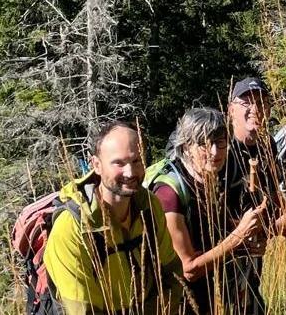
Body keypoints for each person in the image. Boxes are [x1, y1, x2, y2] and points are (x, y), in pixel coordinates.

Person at [43, 122, 184, 315]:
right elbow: (83, 310)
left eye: (136, 161)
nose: (130, 172)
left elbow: (172, 275)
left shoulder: (149, 205)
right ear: (97, 165)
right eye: (119, 163)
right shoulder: (73, 226)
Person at [150, 108, 264, 314]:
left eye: (220, 142)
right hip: (182, 297)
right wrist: (238, 236)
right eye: (204, 144)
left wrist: (249, 244)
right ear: (186, 147)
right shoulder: (169, 193)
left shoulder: (221, 176)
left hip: (219, 288)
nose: (215, 152)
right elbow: (189, 270)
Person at [222, 77, 286, 314]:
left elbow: (272, 192)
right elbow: (209, 210)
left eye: (262, 102)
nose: (256, 109)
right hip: (225, 249)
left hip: (255, 246)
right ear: (231, 109)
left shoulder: (267, 145)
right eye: (247, 103)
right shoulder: (222, 150)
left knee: (252, 297)